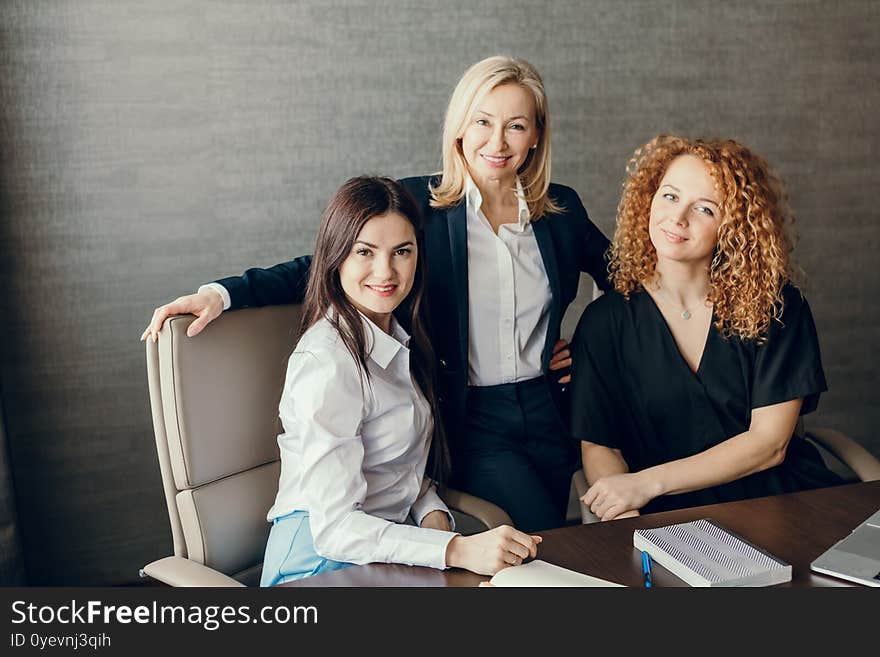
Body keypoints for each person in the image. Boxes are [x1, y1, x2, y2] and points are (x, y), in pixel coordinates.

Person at [142, 56, 611, 532]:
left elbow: (623, 280)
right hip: (473, 419)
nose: (497, 141)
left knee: (560, 537)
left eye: (516, 125)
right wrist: (223, 295)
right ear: (459, 130)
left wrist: (589, 354)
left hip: (549, 406)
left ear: (536, 135)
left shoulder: (562, 209)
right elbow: (328, 262)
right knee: (539, 542)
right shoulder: (421, 206)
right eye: (482, 122)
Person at [259, 176, 540, 585]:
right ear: (337, 257)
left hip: (383, 557)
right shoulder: (327, 363)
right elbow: (335, 529)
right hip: (318, 567)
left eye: (401, 252)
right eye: (365, 252)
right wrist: (456, 549)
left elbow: (396, 469)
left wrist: (432, 512)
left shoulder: (398, 339)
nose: (385, 271)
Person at [570, 135, 843, 521]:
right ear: (647, 198)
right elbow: (600, 447)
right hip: (665, 518)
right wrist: (625, 518)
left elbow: (770, 444)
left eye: (704, 209)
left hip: (777, 505)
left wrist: (648, 483)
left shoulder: (776, 307)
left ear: (734, 226)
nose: (678, 218)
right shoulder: (604, 323)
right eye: (669, 196)